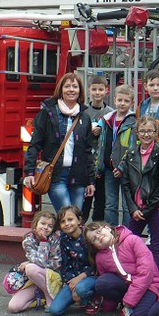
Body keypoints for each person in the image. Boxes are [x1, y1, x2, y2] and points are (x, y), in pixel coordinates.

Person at [23, 73, 95, 212]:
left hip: (78, 177)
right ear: (60, 90)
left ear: (80, 90)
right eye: (67, 86)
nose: (71, 90)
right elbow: (35, 144)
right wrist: (30, 172)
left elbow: (88, 151)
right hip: (55, 175)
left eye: (75, 86)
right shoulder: (48, 113)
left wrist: (90, 181)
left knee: (75, 221)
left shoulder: (84, 117)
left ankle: (61, 234)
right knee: (67, 216)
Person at [84, 222, 159, 316]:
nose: (98, 237)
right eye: (94, 239)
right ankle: (129, 305)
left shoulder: (132, 240)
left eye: (99, 231)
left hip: (149, 285)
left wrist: (130, 300)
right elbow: (108, 283)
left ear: (107, 228)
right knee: (101, 283)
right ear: (94, 246)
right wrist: (109, 307)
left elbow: (146, 272)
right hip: (128, 287)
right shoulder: (100, 258)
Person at [119, 115, 159, 274]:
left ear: (156, 133)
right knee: (128, 241)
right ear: (137, 133)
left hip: (156, 209)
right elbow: (126, 183)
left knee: (156, 245)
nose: (146, 134)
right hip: (136, 208)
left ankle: (155, 281)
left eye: (150, 131)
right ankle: (132, 274)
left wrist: (147, 210)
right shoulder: (131, 153)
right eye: (142, 131)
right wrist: (133, 209)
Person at [95, 84, 136, 226]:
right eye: (120, 100)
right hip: (109, 168)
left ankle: (126, 234)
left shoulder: (134, 121)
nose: (122, 103)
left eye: (126, 101)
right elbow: (102, 145)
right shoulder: (107, 119)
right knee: (110, 204)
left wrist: (122, 167)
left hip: (127, 170)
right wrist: (99, 166)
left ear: (132, 103)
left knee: (127, 205)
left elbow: (132, 148)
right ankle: (111, 231)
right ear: (114, 100)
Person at [7, 210, 62, 313]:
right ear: (35, 224)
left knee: (30, 268)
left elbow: (56, 263)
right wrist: (43, 244)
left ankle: (49, 297)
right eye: (43, 223)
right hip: (35, 280)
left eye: (50, 226)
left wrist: (44, 243)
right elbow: (41, 261)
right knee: (13, 307)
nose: (46, 227)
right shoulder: (28, 240)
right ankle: (40, 298)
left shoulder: (55, 239)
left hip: (51, 277)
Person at [47, 206, 97, 316]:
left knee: (81, 289)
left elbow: (96, 264)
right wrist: (69, 281)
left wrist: (80, 279)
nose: (67, 224)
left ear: (79, 220)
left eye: (70, 220)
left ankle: (94, 298)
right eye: (63, 221)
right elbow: (65, 264)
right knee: (55, 310)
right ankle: (78, 296)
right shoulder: (64, 240)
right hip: (73, 279)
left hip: (90, 277)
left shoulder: (88, 237)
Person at [82, 75, 114, 222]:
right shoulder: (83, 112)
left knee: (101, 201)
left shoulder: (110, 113)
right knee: (85, 200)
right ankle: (81, 227)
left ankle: (96, 228)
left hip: (102, 163)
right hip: (87, 163)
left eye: (100, 89)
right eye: (94, 89)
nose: (97, 93)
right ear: (89, 90)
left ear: (106, 91)